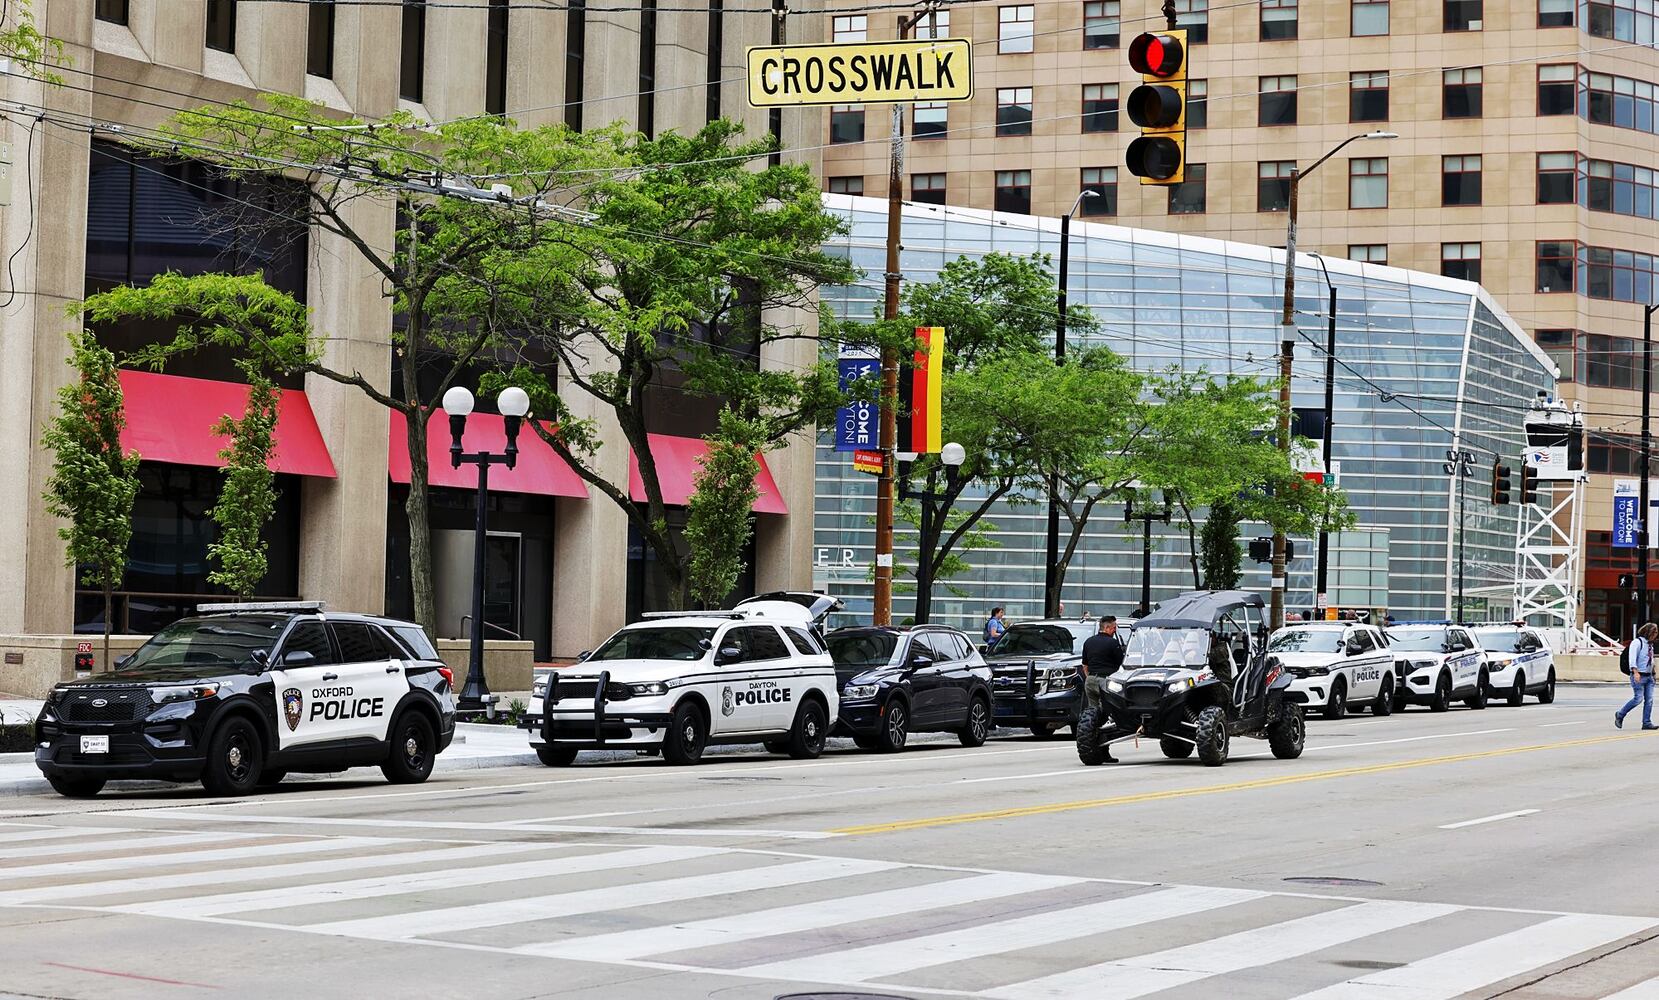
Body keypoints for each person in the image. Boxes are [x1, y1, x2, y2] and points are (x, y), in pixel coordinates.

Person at [1079, 616, 1127, 763]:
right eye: (1113, 628)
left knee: (1092, 718)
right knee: (1105, 718)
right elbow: (1121, 665)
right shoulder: (1113, 643)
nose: (1115, 631)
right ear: (1106, 628)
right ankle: (1104, 751)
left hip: (1090, 680)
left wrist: (1090, 678)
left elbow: (1085, 665)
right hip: (1105, 682)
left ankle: (1092, 748)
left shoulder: (1088, 642)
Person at [1616, 622, 1659, 730]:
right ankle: (1620, 714)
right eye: (1654, 632)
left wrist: (1653, 673)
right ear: (1648, 632)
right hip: (1639, 675)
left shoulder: (1650, 644)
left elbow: (1650, 660)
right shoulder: (1637, 642)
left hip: (1649, 676)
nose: (1656, 635)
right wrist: (1635, 672)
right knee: (1638, 699)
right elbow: (1632, 658)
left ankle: (1646, 722)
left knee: (1649, 700)